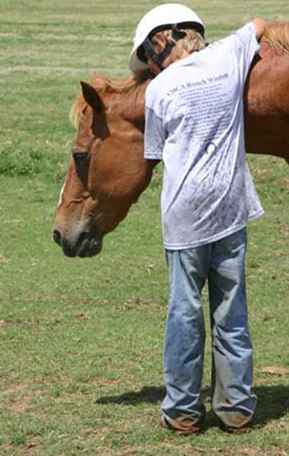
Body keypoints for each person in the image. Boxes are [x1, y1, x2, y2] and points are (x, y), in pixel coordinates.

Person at [129, 4, 266, 434]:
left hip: (184, 221)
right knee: (232, 310)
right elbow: (260, 26)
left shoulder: (159, 89)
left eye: (148, 58)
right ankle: (236, 408)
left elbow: (156, 153)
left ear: (161, 41)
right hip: (231, 213)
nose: (149, 68)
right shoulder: (230, 55)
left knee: (184, 313)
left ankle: (183, 411)